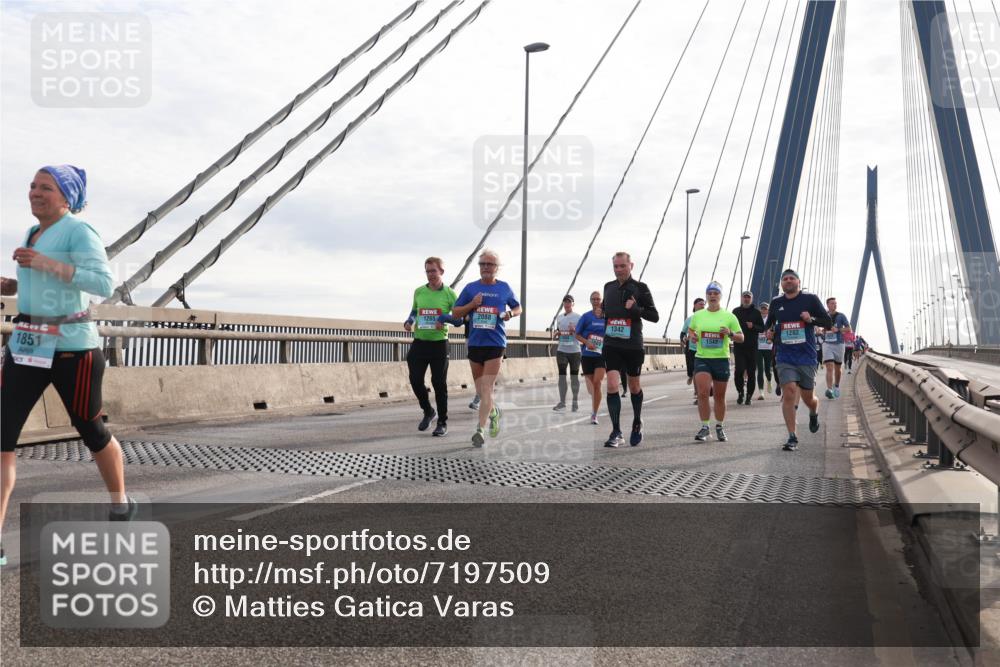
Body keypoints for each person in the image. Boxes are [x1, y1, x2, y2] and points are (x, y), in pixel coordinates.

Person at [1, 165, 139, 566]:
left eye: (45, 187)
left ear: (67, 198)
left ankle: (120, 503)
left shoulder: (79, 231)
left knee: (90, 429)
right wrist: (13, 285)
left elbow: (102, 284)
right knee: (2, 437)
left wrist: (43, 264)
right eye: (32, 186)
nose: (34, 192)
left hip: (72, 349)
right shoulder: (33, 233)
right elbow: (43, 282)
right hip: (27, 345)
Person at [451, 249, 521, 447]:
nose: (485, 268)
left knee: (487, 387)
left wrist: (510, 314)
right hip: (475, 343)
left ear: (497, 268)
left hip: (496, 343)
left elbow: (518, 307)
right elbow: (455, 312)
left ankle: (480, 430)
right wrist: (472, 304)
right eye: (482, 264)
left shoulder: (504, 288)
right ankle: (494, 412)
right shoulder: (471, 288)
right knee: (481, 391)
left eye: (489, 264)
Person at [763, 269, 833, 451]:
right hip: (785, 355)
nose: (788, 281)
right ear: (781, 283)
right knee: (789, 392)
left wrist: (811, 319)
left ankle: (813, 411)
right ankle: (792, 436)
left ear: (798, 282)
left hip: (806, 356)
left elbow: (827, 322)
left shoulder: (810, 299)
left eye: (791, 278)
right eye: (784, 279)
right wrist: (768, 333)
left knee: (809, 397)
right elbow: (768, 325)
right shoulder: (776, 302)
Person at [600, 252, 659, 447]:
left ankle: (637, 422)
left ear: (631, 265)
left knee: (634, 386)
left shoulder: (640, 288)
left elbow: (654, 316)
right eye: (615, 266)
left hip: (632, 344)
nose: (618, 270)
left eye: (622, 266)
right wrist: (601, 312)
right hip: (611, 344)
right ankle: (616, 431)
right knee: (611, 384)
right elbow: (605, 311)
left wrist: (636, 310)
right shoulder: (608, 287)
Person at [403, 257, 458, 437]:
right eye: (427, 271)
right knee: (415, 379)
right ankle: (428, 410)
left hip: (439, 344)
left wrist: (444, 318)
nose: (430, 275)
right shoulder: (419, 291)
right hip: (419, 342)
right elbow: (414, 311)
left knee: (438, 383)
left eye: (433, 271)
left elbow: (459, 319)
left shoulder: (450, 294)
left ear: (441, 272)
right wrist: (409, 321)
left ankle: (442, 422)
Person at [689, 282, 744, 442]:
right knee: (703, 393)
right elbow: (692, 330)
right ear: (706, 296)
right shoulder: (698, 315)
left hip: (721, 359)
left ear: (720, 296)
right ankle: (705, 427)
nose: (712, 296)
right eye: (710, 293)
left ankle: (719, 426)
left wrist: (730, 333)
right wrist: (693, 336)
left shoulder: (729, 316)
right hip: (702, 358)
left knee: (719, 396)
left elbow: (741, 337)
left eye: (716, 293)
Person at [575, 291, 606, 425]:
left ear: (601, 300)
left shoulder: (607, 316)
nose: (596, 301)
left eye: (598, 299)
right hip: (587, 355)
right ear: (590, 301)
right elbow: (577, 334)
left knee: (598, 383)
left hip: (601, 355)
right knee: (591, 388)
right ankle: (596, 400)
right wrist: (587, 342)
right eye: (593, 299)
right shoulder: (586, 317)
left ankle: (594, 414)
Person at [731, 290, 765, 405]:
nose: (746, 299)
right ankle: (740, 392)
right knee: (739, 370)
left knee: (751, 372)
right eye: (744, 297)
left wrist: (753, 326)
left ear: (751, 299)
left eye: (748, 297)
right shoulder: (735, 311)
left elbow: (762, 328)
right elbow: (729, 326)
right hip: (739, 346)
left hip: (752, 347)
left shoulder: (756, 312)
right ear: (741, 298)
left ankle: (749, 396)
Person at [552, 295, 582, 412]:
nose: (567, 304)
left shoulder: (578, 317)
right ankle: (562, 402)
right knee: (562, 376)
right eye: (565, 302)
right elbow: (559, 330)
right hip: (562, 350)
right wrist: (557, 333)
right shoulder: (559, 318)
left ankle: (574, 402)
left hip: (575, 351)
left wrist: (575, 330)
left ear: (573, 304)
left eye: (569, 302)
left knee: (574, 377)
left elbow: (582, 333)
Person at [821, 297, 852, 398]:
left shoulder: (841, 316)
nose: (835, 305)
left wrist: (838, 330)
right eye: (832, 303)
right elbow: (819, 327)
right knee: (829, 366)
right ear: (828, 305)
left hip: (839, 344)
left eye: (835, 303)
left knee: (838, 368)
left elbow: (849, 329)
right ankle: (830, 389)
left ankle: (837, 386)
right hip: (827, 344)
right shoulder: (824, 315)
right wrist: (821, 331)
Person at [680, 298, 706, 404]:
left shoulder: (707, 318)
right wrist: (683, 339)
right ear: (694, 305)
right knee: (695, 372)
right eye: (700, 304)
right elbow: (683, 333)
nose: (703, 306)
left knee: (700, 373)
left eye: (704, 304)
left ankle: (699, 392)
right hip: (692, 349)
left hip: (704, 350)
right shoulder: (689, 319)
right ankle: (697, 393)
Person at [756, 302, 775, 399]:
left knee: (767, 370)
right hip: (758, 347)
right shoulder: (757, 319)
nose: (764, 310)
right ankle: (761, 392)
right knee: (760, 369)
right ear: (760, 310)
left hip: (768, 347)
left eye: (765, 309)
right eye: (762, 308)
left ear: (768, 310)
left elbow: (775, 330)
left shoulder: (771, 320)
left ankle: (769, 380)